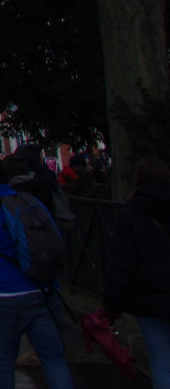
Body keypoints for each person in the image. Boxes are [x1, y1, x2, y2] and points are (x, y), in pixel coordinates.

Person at [0, 154, 74, 389]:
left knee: (2, 360)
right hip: (41, 290)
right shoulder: (28, 201)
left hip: (3, 296)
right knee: (53, 358)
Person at [103, 157, 170, 389]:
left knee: (161, 362)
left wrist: (113, 305)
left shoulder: (131, 212)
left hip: (149, 298)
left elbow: (123, 264)